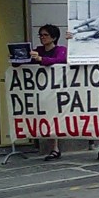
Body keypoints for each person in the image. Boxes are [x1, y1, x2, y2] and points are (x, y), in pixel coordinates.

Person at [31, 24, 67, 160]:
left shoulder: (61, 50)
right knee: (46, 117)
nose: (42, 37)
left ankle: (55, 148)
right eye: (40, 35)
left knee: (54, 116)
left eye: (45, 35)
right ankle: (53, 147)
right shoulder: (38, 50)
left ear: (54, 37)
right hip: (41, 91)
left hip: (57, 90)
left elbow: (61, 60)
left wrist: (41, 60)